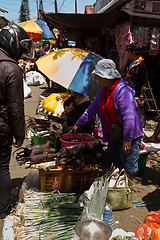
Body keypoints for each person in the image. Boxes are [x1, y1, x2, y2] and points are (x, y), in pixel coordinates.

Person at [69, 59, 143, 179]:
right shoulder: (103, 91)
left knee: (128, 166)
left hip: (129, 134)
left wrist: (127, 139)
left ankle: (127, 190)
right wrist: (79, 124)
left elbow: (129, 116)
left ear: (106, 76)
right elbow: (91, 109)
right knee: (115, 162)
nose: (97, 78)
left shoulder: (123, 90)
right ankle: (118, 185)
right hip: (115, 131)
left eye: (99, 75)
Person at [0, 24, 34, 218]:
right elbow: (15, 107)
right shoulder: (11, 68)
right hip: (2, 128)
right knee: (2, 167)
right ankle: (3, 209)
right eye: (20, 48)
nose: (21, 52)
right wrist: (19, 135)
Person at [123, 42, 149, 127]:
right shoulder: (129, 63)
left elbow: (143, 82)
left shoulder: (142, 64)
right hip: (125, 92)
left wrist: (141, 96)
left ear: (133, 52)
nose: (127, 54)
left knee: (134, 116)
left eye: (128, 52)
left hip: (135, 93)